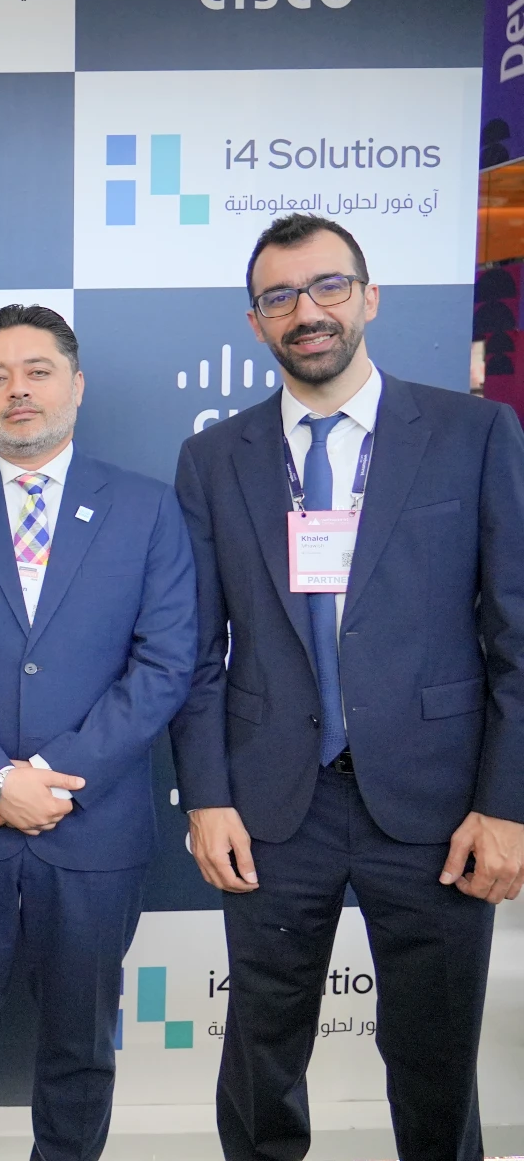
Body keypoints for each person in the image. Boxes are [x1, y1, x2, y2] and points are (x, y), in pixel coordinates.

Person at [173, 214, 524, 1161]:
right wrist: (206, 796)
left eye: (328, 287)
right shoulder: (214, 458)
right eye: (280, 297)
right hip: (274, 803)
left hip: (439, 804)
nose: (307, 312)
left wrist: (507, 805)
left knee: (436, 1058)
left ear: (370, 299)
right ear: (256, 323)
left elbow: (518, 639)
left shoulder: (476, 433)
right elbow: (197, 650)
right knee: (259, 1057)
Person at [0, 304, 196, 1160]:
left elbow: (165, 665)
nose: (17, 391)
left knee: (82, 1039)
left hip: (92, 823)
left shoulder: (146, 508)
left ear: (76, 384)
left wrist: (50, 776)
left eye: (37, 371)